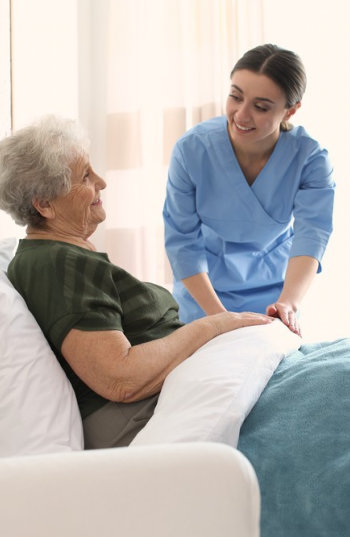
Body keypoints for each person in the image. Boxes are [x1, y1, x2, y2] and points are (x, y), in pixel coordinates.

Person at [0, 115, 274, 449]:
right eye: (85, 176)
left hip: (168, 395)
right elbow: (120, 378)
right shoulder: (56, 263)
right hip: (140, 415)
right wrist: (215, 325)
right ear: (44, 205)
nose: (102, 182)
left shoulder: (55, 257)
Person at [163, 44, 335, 335]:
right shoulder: (192, 150)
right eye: (235, 97)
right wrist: (219, 319)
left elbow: (312, 235)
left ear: (290, 110)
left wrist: (289, 303)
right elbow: (182, 241)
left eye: (261, 107)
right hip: (204, 290)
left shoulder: (310, 159)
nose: (241, 115)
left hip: (274, 291)